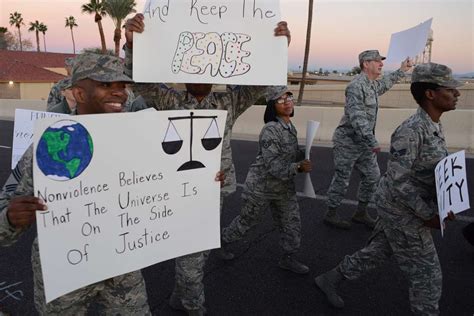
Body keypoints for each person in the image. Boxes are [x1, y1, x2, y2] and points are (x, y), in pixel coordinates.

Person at [124, 13, 291, 315]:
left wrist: (277, 47)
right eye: (192, 69)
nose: (199, 75)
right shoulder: (169, 99)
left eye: (204, 69)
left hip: (214, 189)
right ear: (182, 72)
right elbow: (139, 81)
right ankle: (193, 305)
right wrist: (132, 45)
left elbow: (259, 85)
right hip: (178, 190)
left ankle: (180, 294)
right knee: (192, 252)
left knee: (193, 252)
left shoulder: (228, 102)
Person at [315, 62, 462, 315]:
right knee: (427, 278)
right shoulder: (411, 131)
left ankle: (331, 278)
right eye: (451, 89)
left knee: (379, 251)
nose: (457, 93)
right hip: (401, 210)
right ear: (430, 93)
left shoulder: (434, 124)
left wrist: (446, 202)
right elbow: (398, 181)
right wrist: (428, 213)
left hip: (404, 205)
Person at [219, 87, 312, 274]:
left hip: (283, 188)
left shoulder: (289, 127)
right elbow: (274, 166)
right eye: (280, 100)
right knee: (247, 222)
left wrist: (304, 153)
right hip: (261, 187)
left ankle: (288, 258)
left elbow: (289, 154)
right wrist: (299, 167)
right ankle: (223, 241)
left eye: (289, 97)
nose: (287, 102)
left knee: (292, 224)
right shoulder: (270, 129)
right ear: (272, 105)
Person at [323, 50, 413, 229]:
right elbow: (357, 118)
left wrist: (402, 69)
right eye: (378, 61)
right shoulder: (356, 86)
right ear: (366, 64)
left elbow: (385, 83)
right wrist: (371, 141)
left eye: (381, 61)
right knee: (343, 178)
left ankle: (360, 213)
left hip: (363, 143)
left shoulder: (371, 85)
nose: (381, 63)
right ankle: (331, 214)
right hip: (348, 141)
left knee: (372, 176)